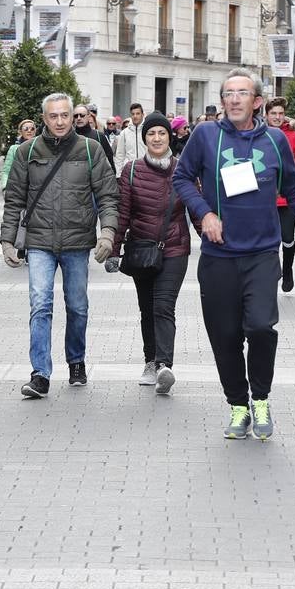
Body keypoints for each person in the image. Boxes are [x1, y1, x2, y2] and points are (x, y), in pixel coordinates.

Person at [174, 68, 295, 441]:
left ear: (257, 101)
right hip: (218, 257)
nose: (233, 99)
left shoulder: (276, 140)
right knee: (225, 335)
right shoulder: (205, 136)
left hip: (263, 252)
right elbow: (182, 177)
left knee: (261, 327)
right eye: (227, 93)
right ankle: (238, 405)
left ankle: (260, 398)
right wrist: (205, 212)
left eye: (241, 93)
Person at [2, 93, 119, 398]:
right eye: (53, 116)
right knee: (40, 304)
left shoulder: (91, 150)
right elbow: (14, 199)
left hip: (77, 241)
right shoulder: (27, 152)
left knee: (77, 306)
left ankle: (76, 360)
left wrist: (108, 232)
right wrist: (7, 240)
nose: (59, 121)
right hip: (39, 241)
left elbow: (108, 195)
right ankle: (40, 373)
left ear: (73, 116)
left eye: (64, 115)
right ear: (44, 118)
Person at [106, 112, 190, 395]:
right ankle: (150, 361)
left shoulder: (183, 170)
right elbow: (123, 214)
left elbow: (198, 209)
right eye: (151, 134)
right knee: (147, 309)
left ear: (170, 138)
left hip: (175, 248)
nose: (156, 138)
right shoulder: (131, 170)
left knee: (163, 305)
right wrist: (114, 250)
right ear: (145, 139)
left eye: (162, 133)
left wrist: (216, 240)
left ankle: (165, 365)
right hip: (142, 250)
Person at [264, 97, 295, 292]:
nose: (277, 117)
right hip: (264, 198)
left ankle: (288, 270)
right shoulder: (258, 134)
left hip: (287, 197)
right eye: (273, 113)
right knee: (268, 239)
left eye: (280, 113)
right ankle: (272, 273)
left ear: (285, 115)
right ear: (266, 115)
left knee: (288, 238)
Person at [73, 104, 116, 171]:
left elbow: (110, 161)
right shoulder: (69, 137)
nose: (79, 118)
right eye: (76, 116)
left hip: (96, 178)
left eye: (82, 115)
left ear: (88, 116)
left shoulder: (99, 136)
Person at [0, 119, 37, 191]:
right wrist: (5, 188)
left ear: (35, 131)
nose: (29, 131)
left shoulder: (40, 147)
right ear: (20, 131)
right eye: (26, 129)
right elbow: (6, 171)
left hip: (35, 189)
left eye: (32, 129)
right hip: (17, 189)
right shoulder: (14, 149)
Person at [113, 102, 146, 175]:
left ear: (142, 115)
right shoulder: (124, 133)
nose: (135, 116)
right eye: (133, 114)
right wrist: (118, 174)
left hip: (146, 172)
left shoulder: (148, 131)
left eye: (138, 113)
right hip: (129, 173)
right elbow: (120, 155)